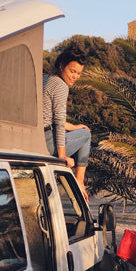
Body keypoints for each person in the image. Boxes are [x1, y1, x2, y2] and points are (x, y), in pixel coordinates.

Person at [43, 44, 92, 197]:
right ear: (62, 65)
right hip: (47, 141)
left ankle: (78, 178)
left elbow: (49, 115)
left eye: (78, 73)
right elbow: (58, 122)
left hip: (38, 135)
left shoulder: (46, 78)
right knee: (86, 135)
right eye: (72, 71)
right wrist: (62, 156)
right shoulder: (61, 86)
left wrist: (74, 126)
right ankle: (80, 180)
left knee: (81, 130)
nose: (75, 76)